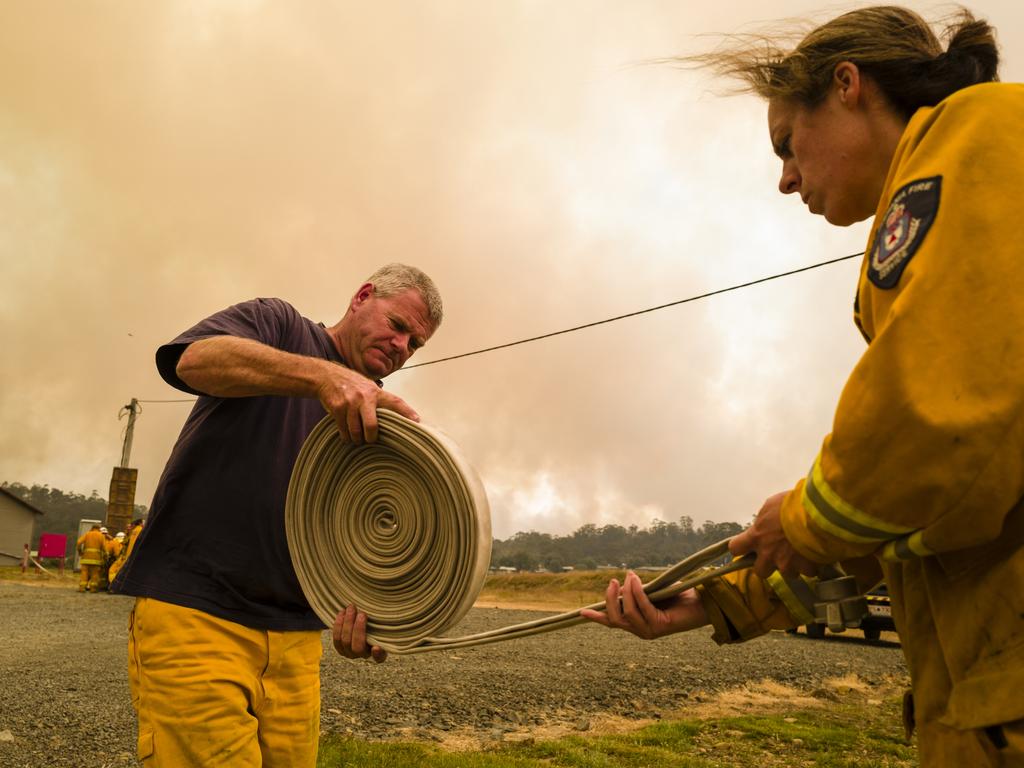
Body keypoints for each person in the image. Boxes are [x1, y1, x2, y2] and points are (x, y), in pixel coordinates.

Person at [582, 7, 1023, 766]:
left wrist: (806, 515)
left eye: (788, 144)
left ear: (848, 86)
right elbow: (912, 522)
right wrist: (717, 599)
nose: (785, 180)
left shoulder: (980, 132)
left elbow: (930, 426)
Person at [111, 263, 442, 766]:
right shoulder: (279, 325)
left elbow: (348, 542)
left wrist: (364, 616)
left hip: (296, 642)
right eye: (397, 325)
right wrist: (322, 376)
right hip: (198, 618)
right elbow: (192, 361)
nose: (401, 346)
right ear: (363, 296)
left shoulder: (374, 421)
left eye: (414, 344)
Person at [76, 524, 106, 593]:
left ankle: (82, 588)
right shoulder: (101, 536)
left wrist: (80, 551)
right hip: (96, 559)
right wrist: (105, 556)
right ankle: (93, 589)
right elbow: (104, 548)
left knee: (84, 573)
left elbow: (78, 542)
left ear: (92, 528)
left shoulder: (87, 534)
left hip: (85, 558)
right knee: (95, 574)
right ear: (99, 528)